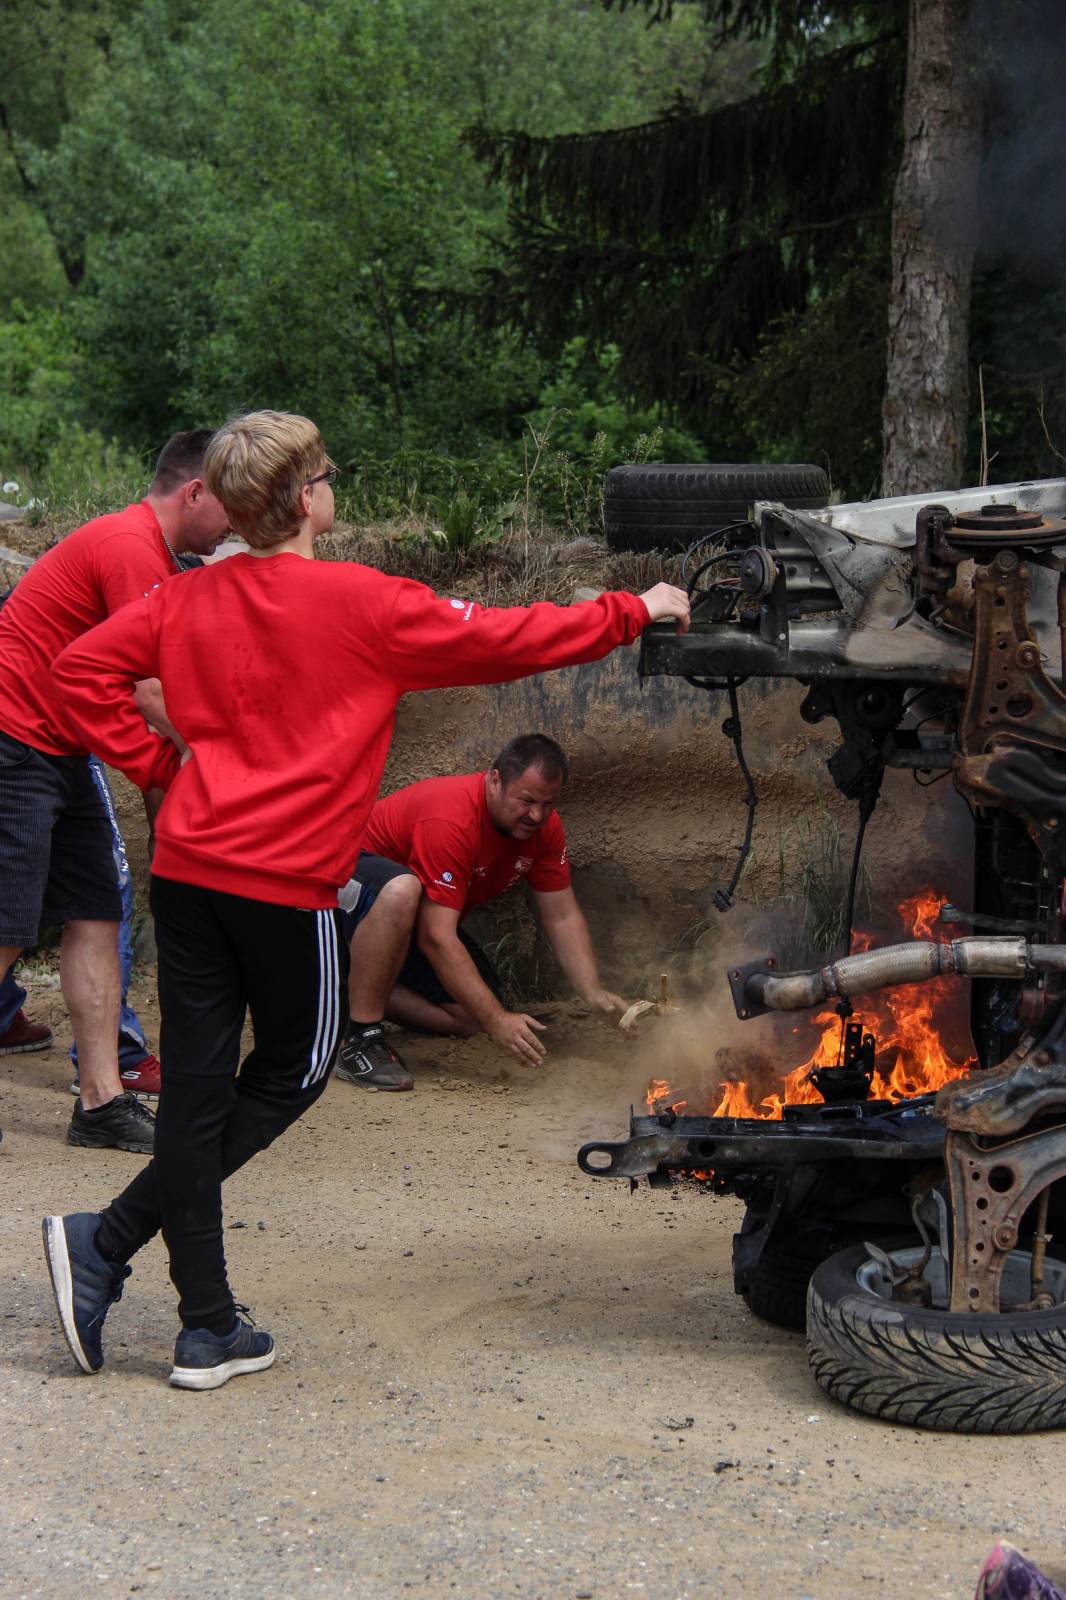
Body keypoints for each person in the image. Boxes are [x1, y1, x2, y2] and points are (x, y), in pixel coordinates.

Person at [40, 408, 690, 1390]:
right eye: (328, 474)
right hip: (281, 884)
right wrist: (634, 608)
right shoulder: (366, 604)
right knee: (295, 1073)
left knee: (202, 1089)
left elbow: (78, 668)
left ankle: (198, 1319)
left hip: (188, 873)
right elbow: (512, 638)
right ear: (306, 498)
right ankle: (115, 1242)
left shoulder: (185, 596)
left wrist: (161, 768)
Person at [0, 431, 229, 1154]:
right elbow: (151, 689)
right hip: (11, 737)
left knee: (97, 912)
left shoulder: (156, 555)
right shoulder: (132, 547)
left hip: (62, 748)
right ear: (195, 492)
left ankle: (100, 1102)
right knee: (7, 926)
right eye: (228, 505)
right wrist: (221, 760)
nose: (234, 526)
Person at [335, 734, 626, 1091]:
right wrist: (498, 1019)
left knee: (473, 1017)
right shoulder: (451, 819)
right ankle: (360, 1038)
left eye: (547, 803)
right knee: (401, 890)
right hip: (342, 889)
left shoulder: (545, 830)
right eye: (526, 801)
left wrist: (592, 991)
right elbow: (436, 936)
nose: (537, 815)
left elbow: (562, 915)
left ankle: (342, 987)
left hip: (406, 924)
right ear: (495, 780)